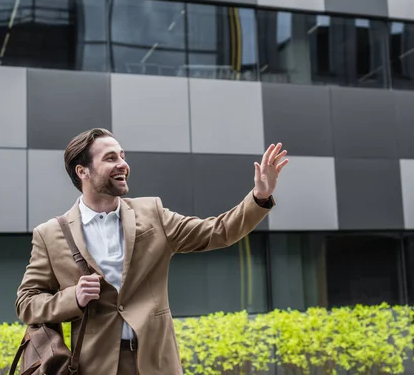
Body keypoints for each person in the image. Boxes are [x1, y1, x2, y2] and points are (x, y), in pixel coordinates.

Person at [15, 128, 289, 375]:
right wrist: (72, 297)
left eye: (122, 156)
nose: (123, 164)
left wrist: (259, 197)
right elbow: (26, 303)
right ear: (82, 171)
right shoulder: (50, 234)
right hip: (93, 366)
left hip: (157, 362)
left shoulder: (152, 213)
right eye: (110, 158)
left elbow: (219, 231)